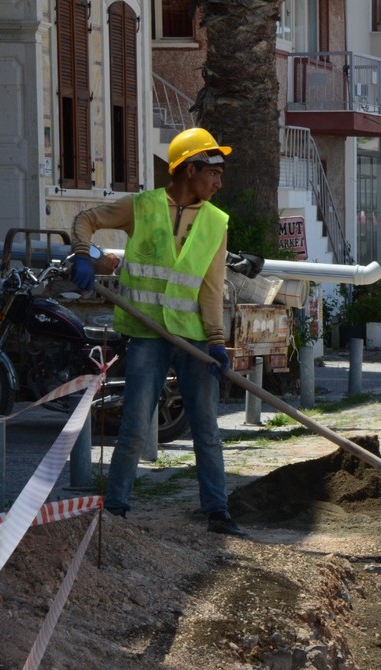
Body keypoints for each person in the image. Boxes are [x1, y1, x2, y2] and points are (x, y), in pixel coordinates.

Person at [69, 127, 246, 538]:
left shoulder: (216, 222)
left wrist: (217, 342)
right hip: (147, 334)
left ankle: (217, 512)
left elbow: (211, 287)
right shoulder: (142, 207)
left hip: (193, 337)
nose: (219, 182)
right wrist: (81, 254)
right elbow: (86, 220)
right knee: (134, 425)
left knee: (206, 428)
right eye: (214, 172)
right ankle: (114, 510)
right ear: (189, 169)